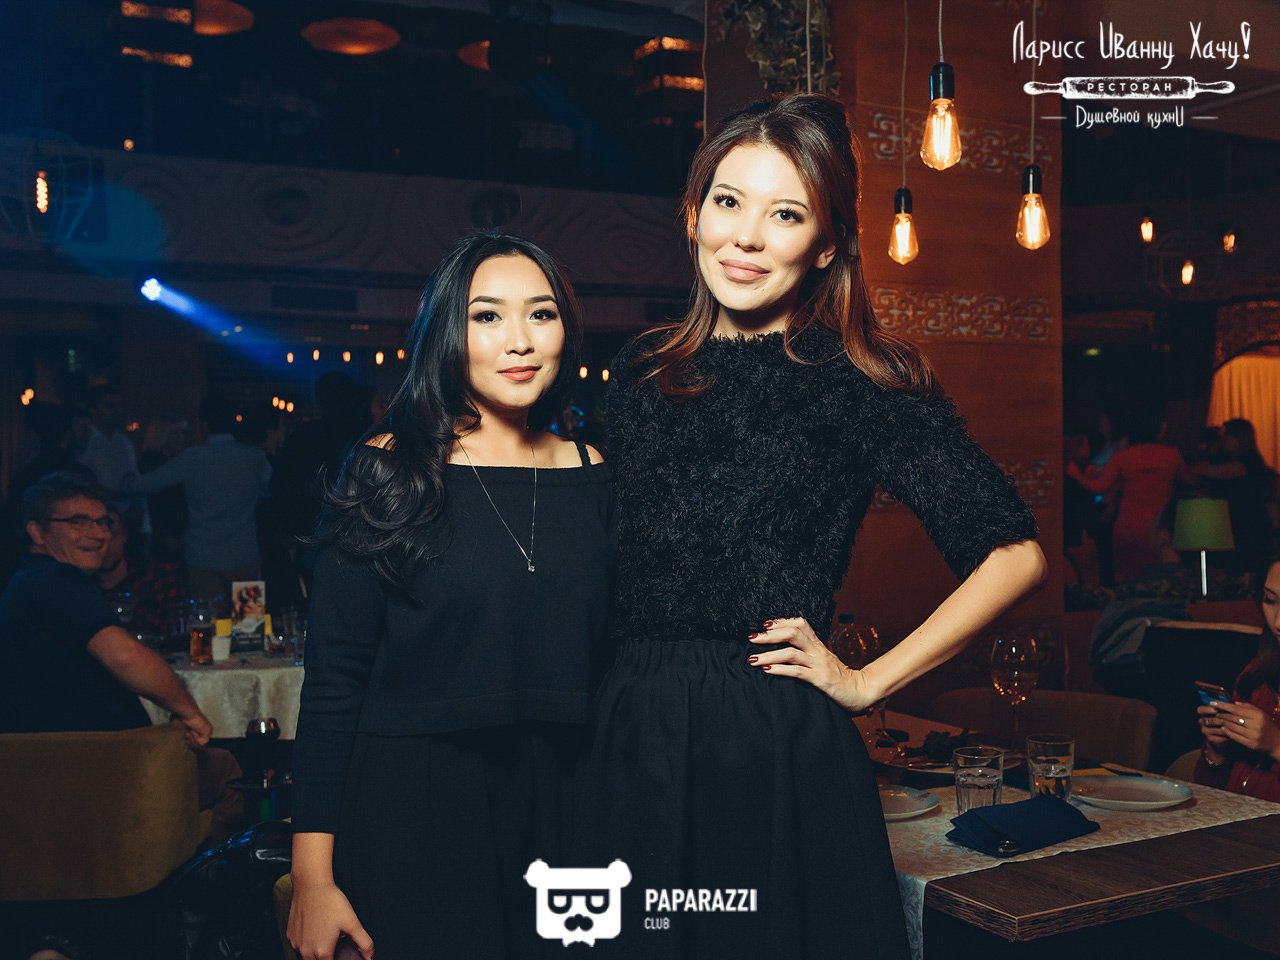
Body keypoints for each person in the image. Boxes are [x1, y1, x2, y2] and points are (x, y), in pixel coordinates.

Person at [572, 95, 1045, 960]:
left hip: (769, 740)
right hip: (627, 729)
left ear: (825, 244)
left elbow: (1014, 555)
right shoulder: (642, 372)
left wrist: (868, 683)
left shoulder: (859, 380)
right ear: (693, 213)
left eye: (785, 214)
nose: (747, 237)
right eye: (728, 201)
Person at [288, 234, 610, 960]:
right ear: (446, 335)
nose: (521, 340)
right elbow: (334, 683)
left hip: (564, 804)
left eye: (542, 314)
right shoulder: (388, 471)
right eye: (487, 316)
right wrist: (312, 878)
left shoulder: (593, 471)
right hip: (417, 807)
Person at [0, 472, 241, 842]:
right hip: (100, 765)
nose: (98, 534)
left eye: (103, 523)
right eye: (79, 521)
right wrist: (191, 713)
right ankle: (182, 873)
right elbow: (125, 656)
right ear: (37, 531)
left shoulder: (31, 581)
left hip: (62, 765)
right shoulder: (54, 579)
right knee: (226, 769)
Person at [119, 396, 272, 600]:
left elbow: (144, 485)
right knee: (248, 616)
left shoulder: (192, 458)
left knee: (207, 616)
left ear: (204, 425)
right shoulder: (254, 457)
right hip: (244, 553)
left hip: (202, 556)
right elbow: (271, 491)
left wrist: (124, 480)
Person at [1068, 407, 1191, 582]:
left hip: (1129, 525)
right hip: (1161, 525)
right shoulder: (1171, 455)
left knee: (1128, 577)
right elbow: (1187, 480)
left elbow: (1099, 487)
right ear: (1159, 428)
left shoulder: (1123, 456)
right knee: (1162, 577)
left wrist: (1076, 475)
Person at [1195, 556, 1280, 801]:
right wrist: (1218, 750)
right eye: (1270, 600)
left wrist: (1276, 745)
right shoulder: (1257, 673)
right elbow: (1212, 793)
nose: (1277, 621)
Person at [1193, 418, 1278, 575]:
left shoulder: (1251, 460)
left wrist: (1202, 469)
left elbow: (1227, 471)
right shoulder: (1224, 459)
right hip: (1232, 527)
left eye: (1227, 436)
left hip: (1248, 527)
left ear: (1237, 438)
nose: (1224, 440)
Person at [95, 509, 185, 636]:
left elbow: (172, 632)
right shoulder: (79, 586)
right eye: (97, 538)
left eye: (112, 535)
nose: (105, 545)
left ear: (124, 535)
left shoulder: (156, 576)